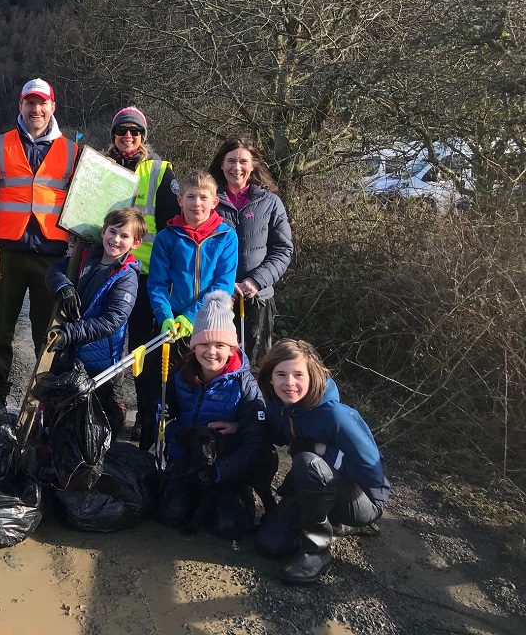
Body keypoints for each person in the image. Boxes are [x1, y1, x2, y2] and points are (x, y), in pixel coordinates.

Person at [255, 338, 390, 584]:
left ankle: (316, 553)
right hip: (314, 486)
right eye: (281, 374)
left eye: (298, 374)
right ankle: (335, 525)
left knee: (308, 461)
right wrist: (237, 426)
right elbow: (271, 433)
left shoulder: (336, 416)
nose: (289, 383)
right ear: (270, 377)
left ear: (312, 376)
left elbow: (374, 477)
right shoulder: (280, 406)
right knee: (269, 544)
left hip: (365, 499)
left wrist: (321, 449)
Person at [0, 78, 78, 411]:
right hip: (5, 250)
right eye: (29, 103)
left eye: (42, 103)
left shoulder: (72, 151)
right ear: (20, 106)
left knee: (48, 332)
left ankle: (44, 398)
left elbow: (83, 203)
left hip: (52, 255)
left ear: (52, 107)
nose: (35, 109)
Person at [157, 290, 271, 537]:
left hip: (224, 464)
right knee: (171, 515)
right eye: (204, 344)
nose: (211, 352)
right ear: (194, 347)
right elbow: (167, 409)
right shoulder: (180, 375)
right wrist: (160, 412)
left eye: (220, 345)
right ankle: (185, 495)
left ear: (232, 349)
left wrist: (221, 469)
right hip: (186, 459)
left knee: (228, 526)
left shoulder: (245, 385)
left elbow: (256, 441)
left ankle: (234, 499)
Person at [105, 106, 179, 446]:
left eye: (135, 131)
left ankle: (146, 420)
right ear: (114, 135)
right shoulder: (100, 166)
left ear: (143, 136)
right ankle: (107, 410)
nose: (128, 136)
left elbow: (171, 225)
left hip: (146, 275)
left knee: (141, 351)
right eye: (122, 130)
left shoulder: (161, 171)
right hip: (107, 269)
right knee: (103, 343)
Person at [44, 207, 145, 437]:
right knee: (62, 416)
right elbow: (54, 270)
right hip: (71, 356)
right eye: (112, 231)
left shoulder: (126, 276)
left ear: (135, 243)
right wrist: (64, 287)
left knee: (100, 424)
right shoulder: (85, 257)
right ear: (103, 232)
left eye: (124, 236)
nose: (116, 239)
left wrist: (69, 334)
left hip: (101, 364)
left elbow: (111, 321)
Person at [209, 136, 293, 364]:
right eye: (231, 161)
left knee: (257, 367)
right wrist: (222, 283)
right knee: (217, 365)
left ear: (253, 164)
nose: (237, 167)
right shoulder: (207, 200)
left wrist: (257, 281)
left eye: (243, 161)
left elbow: (283, 249)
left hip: (259, 301)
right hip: (217, 299)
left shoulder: (271, 202)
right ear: (221, 164)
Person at [149, 169, 238, 340]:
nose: (197, 203)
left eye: (204, 197)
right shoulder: (165, 237)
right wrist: (164, 316)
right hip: (174, 321)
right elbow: (157, 284)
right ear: (180, 200)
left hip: (213, 318)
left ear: (214, 202)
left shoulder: (227, 236)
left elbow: (224, 284)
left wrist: (191, 315)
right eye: (190, 197)